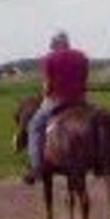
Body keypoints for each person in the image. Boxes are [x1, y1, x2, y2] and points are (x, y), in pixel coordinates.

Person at [23, 31, 90, 184]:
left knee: (34, 126)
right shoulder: (82, 56)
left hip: (57, 101)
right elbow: (85, 79)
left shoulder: (50, 58)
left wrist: (46, 96)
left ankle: (36, 167)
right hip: (81, 101)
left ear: (55, 44)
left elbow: (47, 85)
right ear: (67, 43)